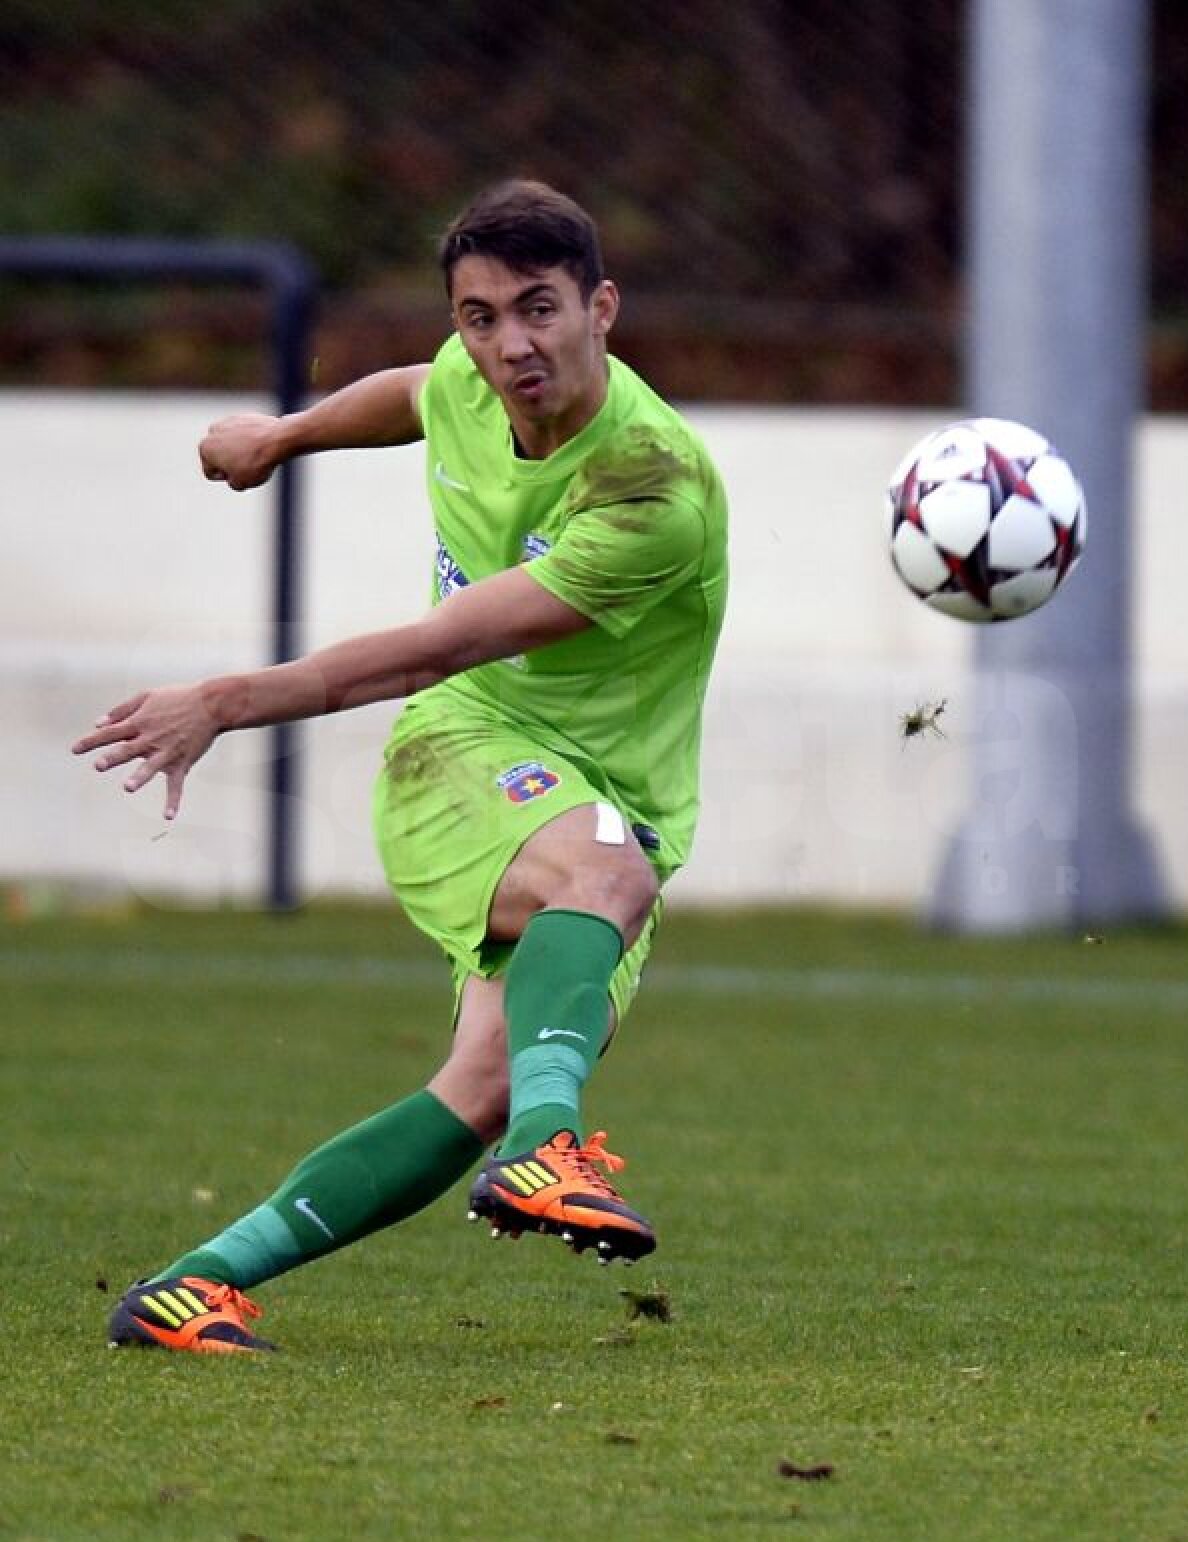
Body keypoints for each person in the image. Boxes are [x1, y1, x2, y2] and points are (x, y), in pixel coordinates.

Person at [74, 179, 729, 1355]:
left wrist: (222, 699)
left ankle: (191, 1285)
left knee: (481, 1085)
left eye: (538, 309)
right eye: (480, 317)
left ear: (602, 308)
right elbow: (414, 396)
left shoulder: (650, 488)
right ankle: (548, 1149)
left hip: (607, 797)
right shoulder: (473, 379)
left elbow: (443, 630)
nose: (509, 346)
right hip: (460, 750)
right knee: (606, 881)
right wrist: (284, 435)